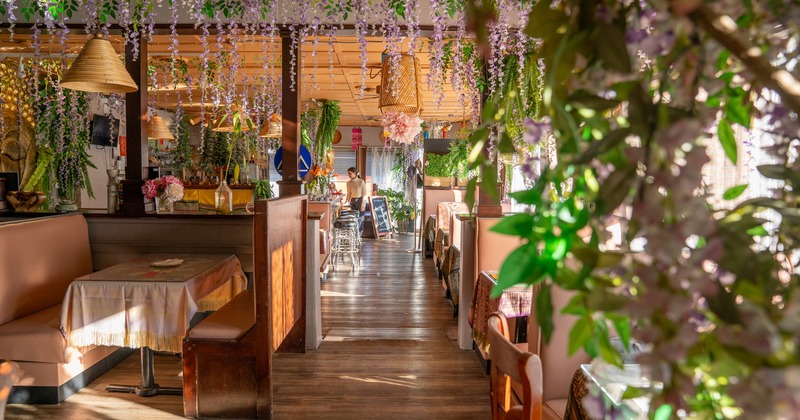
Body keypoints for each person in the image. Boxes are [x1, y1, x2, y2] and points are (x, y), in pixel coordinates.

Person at [344, 167, 367, 235]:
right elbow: (348, 194)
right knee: (353, 218)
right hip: (352, 201)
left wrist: (363, 204)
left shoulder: (361, 182)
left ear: (355, 173)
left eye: (350, 173)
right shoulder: (348, 183)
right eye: (348, 173)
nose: (349, 175)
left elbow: (364, 194)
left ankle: (360, 235)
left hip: (360, 200)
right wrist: (346, 202)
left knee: (360, 218)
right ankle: (354, 235)